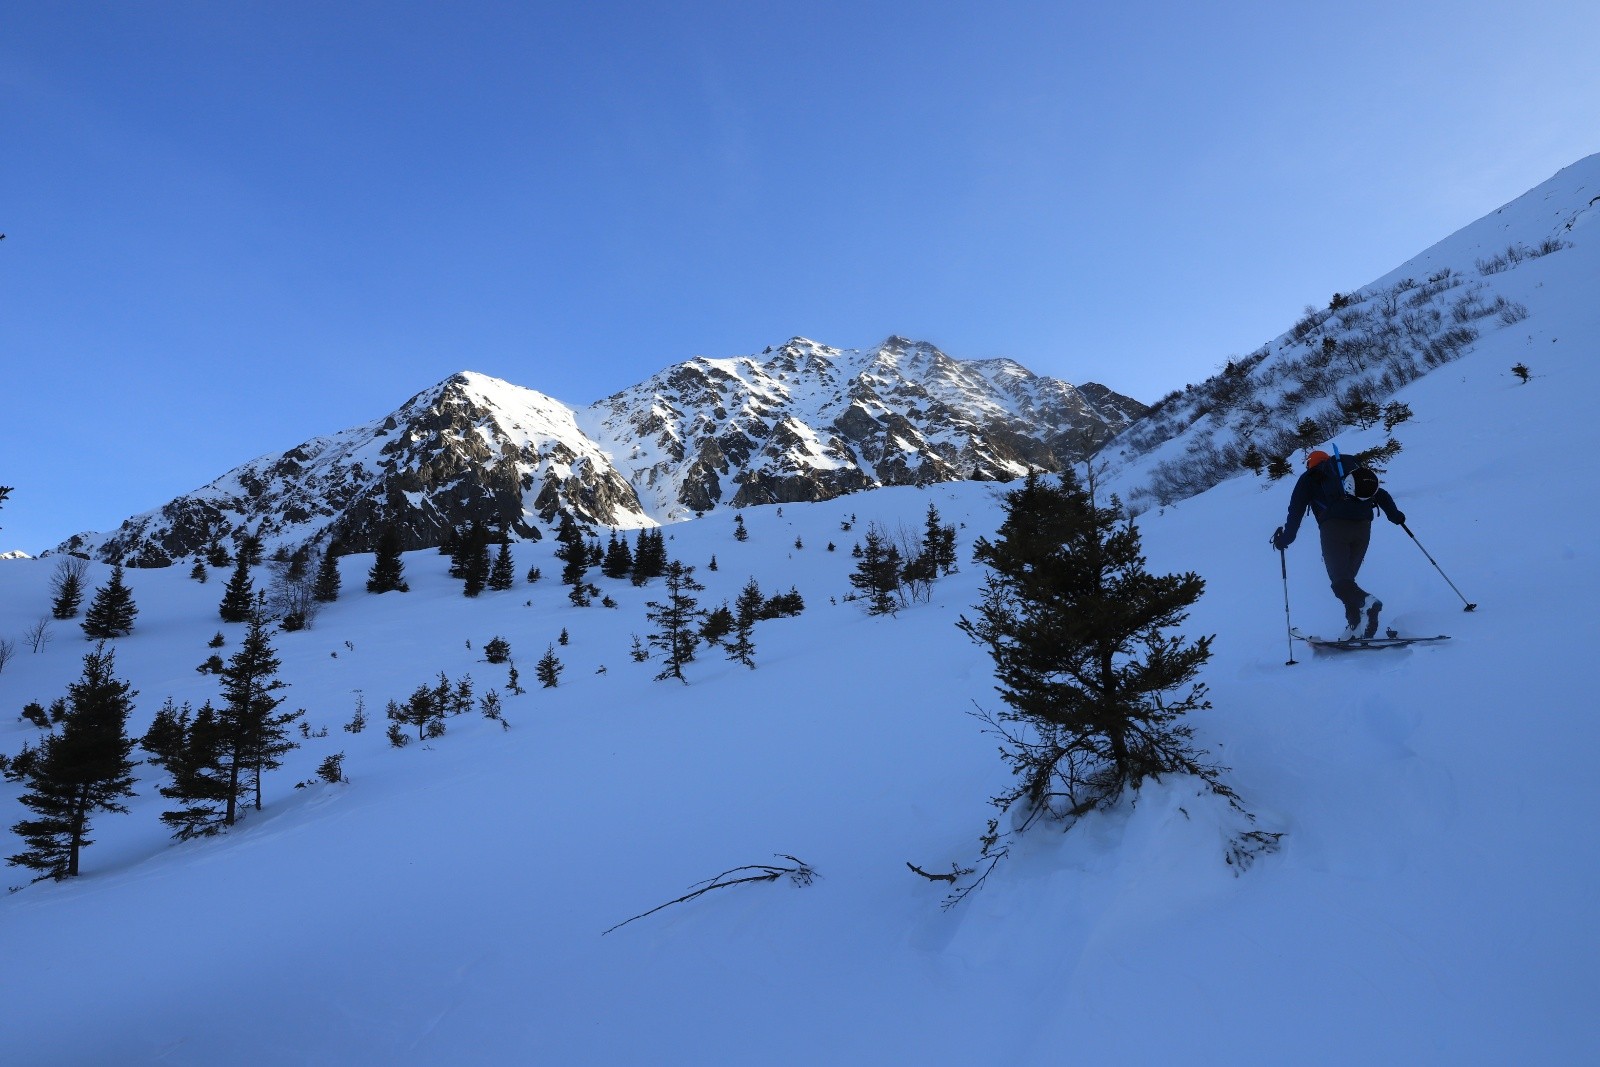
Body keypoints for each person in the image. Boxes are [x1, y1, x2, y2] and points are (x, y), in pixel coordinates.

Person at [1272, 449, 1405, 639]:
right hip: (1363, 528)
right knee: (1347, 581)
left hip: (1334, 529)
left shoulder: (1310, 477)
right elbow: (1380, 494)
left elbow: (1296, 510)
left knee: (1340, 582)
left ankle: (1367, 603)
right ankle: (1356, 625)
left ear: (1310, 463)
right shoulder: (1349, 473)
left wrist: (1286, 539)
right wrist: (1395, 516)